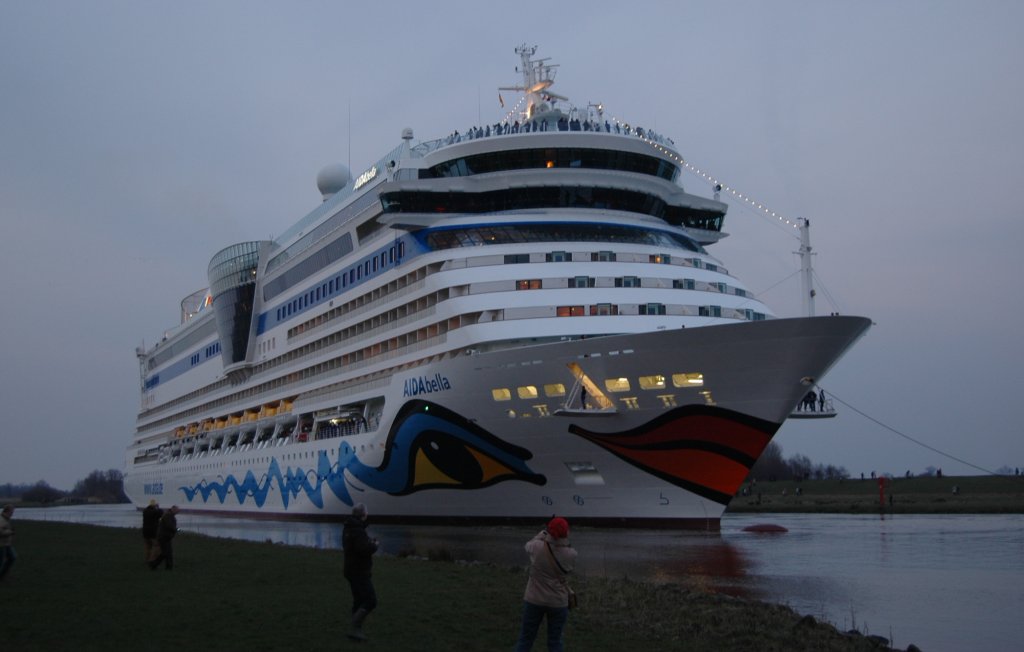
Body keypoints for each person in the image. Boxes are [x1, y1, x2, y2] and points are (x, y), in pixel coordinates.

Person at [514, 516, 578, 652]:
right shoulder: (571, 554)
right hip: (558, 602)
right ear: (566, 532)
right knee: (555, 641)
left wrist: (540, 535)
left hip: (534, 599)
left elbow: (528, 546)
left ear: (549, 530)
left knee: (525, 639)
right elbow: (568, 567)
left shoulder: (537, 547)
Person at [343, 503, 378, 642]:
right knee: (371, 600)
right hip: (359, 570)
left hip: (350, 569)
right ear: (363, 515)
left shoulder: (348, 527)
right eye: (366, 513)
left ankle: (355, 631)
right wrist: (374, 546)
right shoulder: (357, 530)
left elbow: (355, 546)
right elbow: (362, 549)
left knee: (358, 600)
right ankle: (355, 626)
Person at [149, 505, 179, 570]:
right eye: (177, 510)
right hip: (164, 537)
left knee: (167, 552)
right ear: (173, 509)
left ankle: (168, 566)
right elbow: (169, 525)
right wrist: (175, 529)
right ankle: (154, 564)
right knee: (166, 552)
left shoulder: (169, 515)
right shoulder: (168, 515)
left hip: (166, 536)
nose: (178, 511)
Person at [0, 505, 15, 581]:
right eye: (12, 512)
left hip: (7, 544)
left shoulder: (6, 519)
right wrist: (10, 532)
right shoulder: (1, 520)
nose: (12, 513)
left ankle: (3, 575)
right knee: (1, 562)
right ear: (7, 511)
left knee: (12, 557)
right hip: (1, 544)